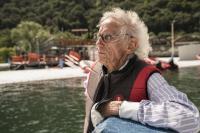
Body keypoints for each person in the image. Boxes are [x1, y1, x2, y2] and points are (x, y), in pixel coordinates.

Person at [84, 8, 200, 133]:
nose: (98, 43)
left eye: (107, 37)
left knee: (109, 125)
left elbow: (191, 119)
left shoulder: (148, 77)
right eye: (98, 36)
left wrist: (120, 108)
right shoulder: (94, 74)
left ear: (131, 45)